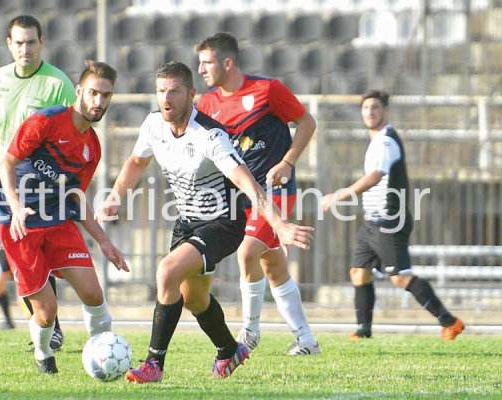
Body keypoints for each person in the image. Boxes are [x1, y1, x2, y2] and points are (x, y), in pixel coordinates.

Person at [99, 61, 314, 384]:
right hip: (187, 223)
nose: (166, 98)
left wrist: (279, 224)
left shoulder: (210, 135)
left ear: (191, 95)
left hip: (223, 223)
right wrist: (115, 196)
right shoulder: (153, 125)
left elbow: (248, 185)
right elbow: (136, 161)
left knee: (166, 272)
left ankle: (154, 363)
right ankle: (229, 350)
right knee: (194, 298)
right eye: (161, 91)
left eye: (174, 91)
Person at [0, 60, 128, 374]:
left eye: (106, 95)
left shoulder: (92, 148)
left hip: (57, 220)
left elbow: (76, 196)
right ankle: (43, 355)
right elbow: (6, 163)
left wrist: (105, 242)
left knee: (93, 294)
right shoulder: (45, 121)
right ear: (79, 90)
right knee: (47, 313)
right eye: (93, 93)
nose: (98, 101)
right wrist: (16, 207)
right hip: (18, 223)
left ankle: (104, 359)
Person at [195, 32, 320, 355]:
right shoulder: (206, 103)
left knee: (247, 252)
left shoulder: (268, 90)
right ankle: (307, 340)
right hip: (238, 197)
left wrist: (288, 162)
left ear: (227, 62)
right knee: (273, 266)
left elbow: (307, 122)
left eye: (206, 63)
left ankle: (249, 331)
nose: (201, 69)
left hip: (274, 192)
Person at [321, 89, 465, 340]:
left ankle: (450, 322)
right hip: (371, 222)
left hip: (389, 220)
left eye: (375, 107)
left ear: (385, 111)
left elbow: (375, 176)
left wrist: (340, 195)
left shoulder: (386, 141)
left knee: (399, 278)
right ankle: (363, 331)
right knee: (358, 272)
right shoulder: (376, 141)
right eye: (366, 108)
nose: (370, 112)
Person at [0, 15, 75, 347]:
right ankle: (45, 324)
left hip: (43, 181)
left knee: (39, 251)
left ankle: (50, 324)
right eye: (19, 42)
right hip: (6, 180)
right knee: (20, 254)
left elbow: (72, 134)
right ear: (9, 44)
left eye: (31, 42)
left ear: (41, 42)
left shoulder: (58, 83)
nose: (25, 48)